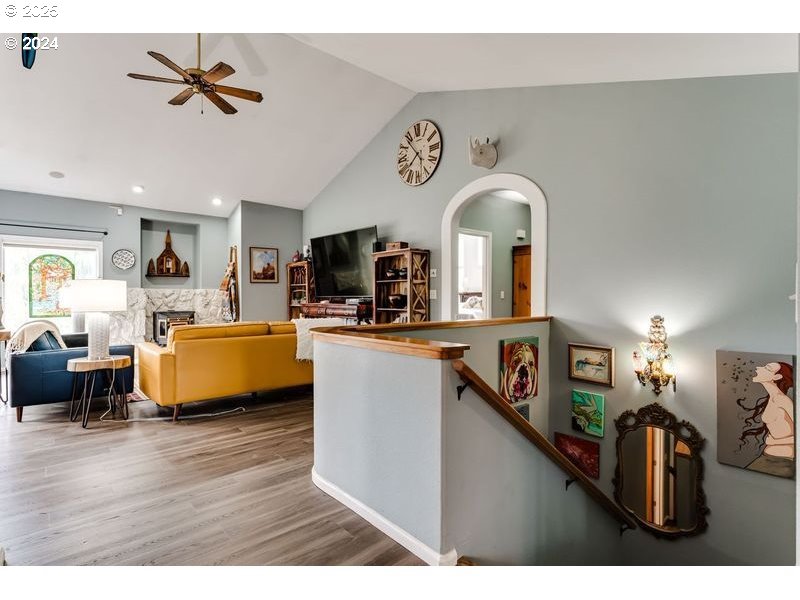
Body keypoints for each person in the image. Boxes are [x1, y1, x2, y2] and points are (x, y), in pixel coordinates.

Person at [737, 362, 794, 478]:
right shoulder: (772, 398)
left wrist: (774, 441)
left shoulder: (782, 400)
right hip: (769, 458)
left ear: (776, 377)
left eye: (767, 368)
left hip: (782, 462)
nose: (758, 367)